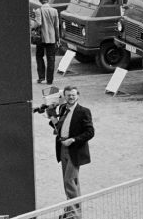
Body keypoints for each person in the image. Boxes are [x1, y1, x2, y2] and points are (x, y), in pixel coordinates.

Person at [48, 86, 93, 218]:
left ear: (77, 95)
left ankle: (74, 215)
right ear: (65, 97)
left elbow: (90, 132)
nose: (71, 97)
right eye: (68, 95)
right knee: (72, 182)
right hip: (62, 148)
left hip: (74, 150)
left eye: (73, 95)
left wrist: (73, 140)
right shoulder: (63, 108)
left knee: (69, 181)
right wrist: (51, 112)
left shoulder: (83, 111)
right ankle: (71, 212)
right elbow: (58, 126)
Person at [33, 0, 60, 85]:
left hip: (41, 38)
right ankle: (49, 80)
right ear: (48, 0)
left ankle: (41, 77)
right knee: (51, 59)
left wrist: (32, 26)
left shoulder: (38, 10)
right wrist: (58, 38)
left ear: (40, 1)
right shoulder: (54, 11)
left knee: (39, 56)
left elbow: (38, 23)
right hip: (52, 38)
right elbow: (56, 26)